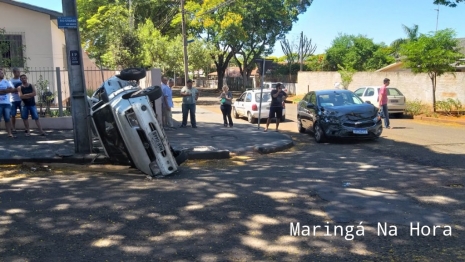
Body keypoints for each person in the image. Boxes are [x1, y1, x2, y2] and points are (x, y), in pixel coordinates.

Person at [0, 68, 16, 138]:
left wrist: (3, 91)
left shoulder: (7, 82)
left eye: (2, 73)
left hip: (6, 103)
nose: (2, 74)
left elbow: (12, 90)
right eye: (1, 73)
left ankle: (9, 133)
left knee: (7, 118)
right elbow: (8, 90)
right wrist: (6, 90)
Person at [10, 68, 22, 133]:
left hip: (21, 99)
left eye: (19, 72)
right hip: (13, 100)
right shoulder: (11, 80)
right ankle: (13, 128)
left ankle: (26, 128)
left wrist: (16, 89)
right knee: (13, 114)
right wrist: (18, 89)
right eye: (18, 72)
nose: (19, 73)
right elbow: (10, 90)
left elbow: (25, 88)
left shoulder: (21, 79)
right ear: (14, 73)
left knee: (24, 114)